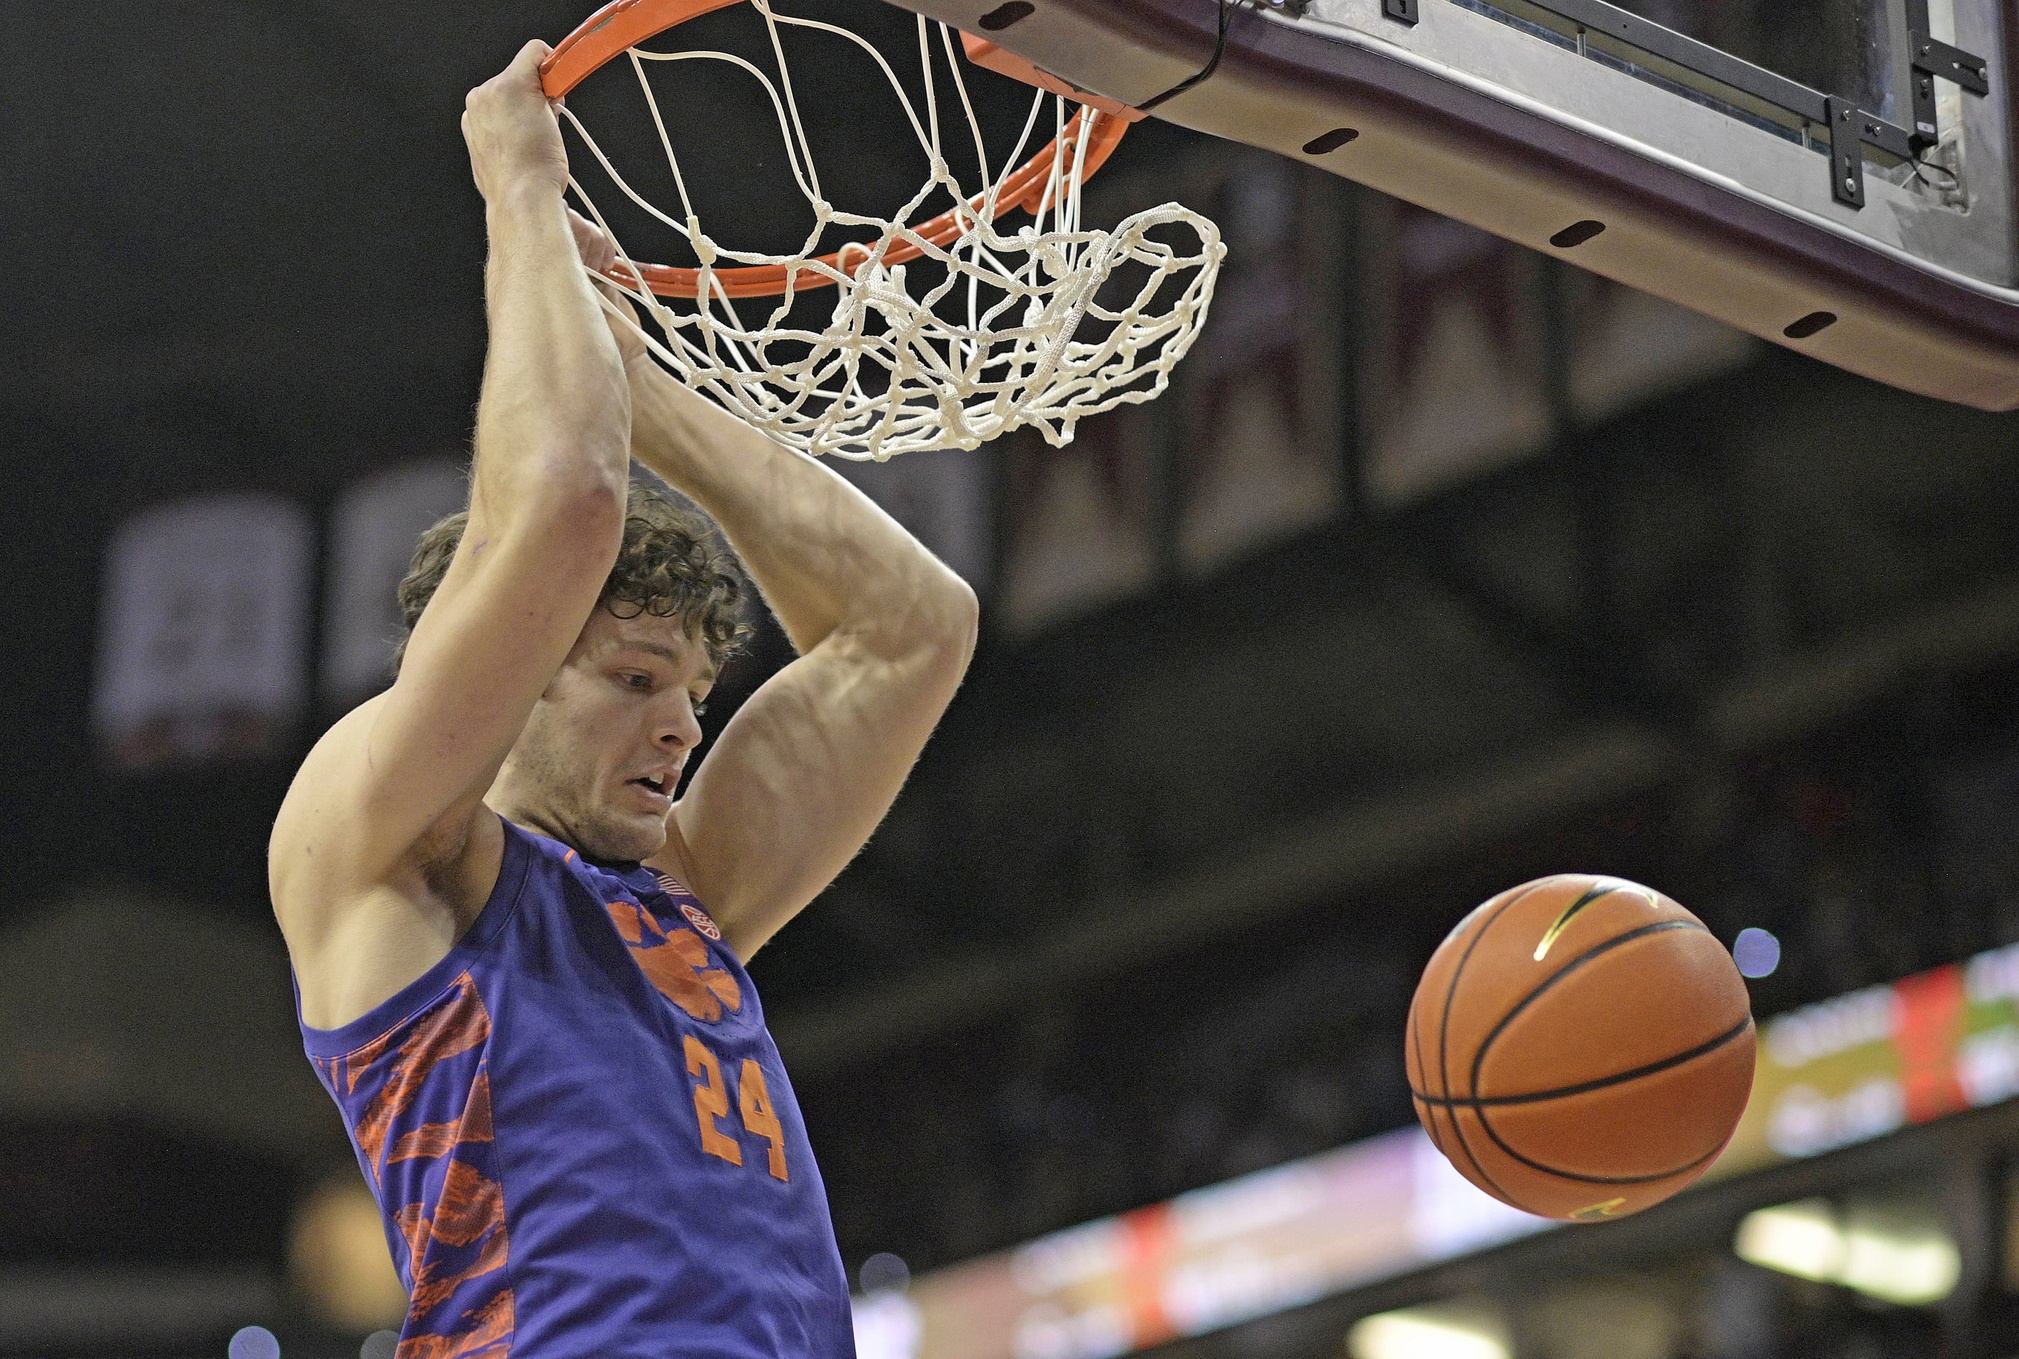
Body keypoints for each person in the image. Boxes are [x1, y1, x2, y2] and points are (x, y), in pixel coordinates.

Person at [269, 40, 977, 1358]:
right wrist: (520, 193)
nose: (684, 723)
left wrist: (652, 398)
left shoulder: (685, 895)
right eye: (637, 677)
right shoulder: (384, 848)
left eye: (698, 689)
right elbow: (563, 510)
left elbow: (910, 629)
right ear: (507, 665)